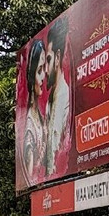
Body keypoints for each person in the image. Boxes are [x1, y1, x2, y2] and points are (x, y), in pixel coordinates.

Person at [44, 18, 72, 178]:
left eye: (48, 60)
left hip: (65, 176)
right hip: (52, 184)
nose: (46, 70)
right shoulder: (50, 100)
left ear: (58, 57)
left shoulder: (65, 97)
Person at [20, 39, 48, 186]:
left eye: (44, 68)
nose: (44, 76)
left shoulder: (40, 115)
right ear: (31, 77)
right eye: (39, 71)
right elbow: (30, 179)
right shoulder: (30, 127)